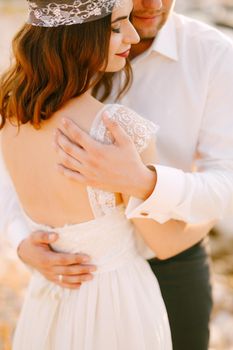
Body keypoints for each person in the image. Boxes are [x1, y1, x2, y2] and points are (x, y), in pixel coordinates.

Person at [1, 0, 233, 349]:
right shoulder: (111, 118)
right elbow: (6, 174)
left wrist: (145, 183)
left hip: (170, 269)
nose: (152, 5)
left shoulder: (213, 54)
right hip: (72, 274)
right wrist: (21, 241)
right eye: (118, 21)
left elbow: (226, 176)